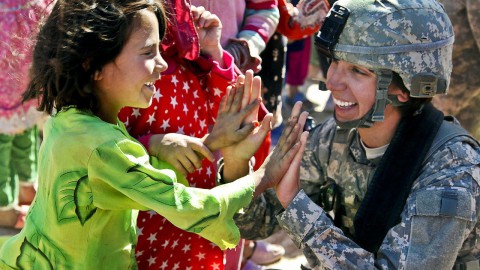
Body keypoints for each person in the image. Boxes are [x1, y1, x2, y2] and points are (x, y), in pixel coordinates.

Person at [0, 0, 309, 268]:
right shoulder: (104, 144)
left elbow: (139, 176)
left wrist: (210, 143)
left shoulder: (72, 120)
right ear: (93, 64)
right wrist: (265, 175)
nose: (162, 63)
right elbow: (189, 207)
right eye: (149, 52)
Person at [234, 0, 480, 269]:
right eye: (335, 62)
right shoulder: (332, 138)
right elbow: (254, 223)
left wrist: (295, 206)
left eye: (358, 71)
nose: (332, 82)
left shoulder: (451, 172)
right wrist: (236, 162)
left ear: (404, 87)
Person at [118, 2, 261, 269]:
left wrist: (213, 51)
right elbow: (98, 147)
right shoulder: (124, 70)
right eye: (150, 51)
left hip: (195, 222)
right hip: (139, 230)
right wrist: (151, 145)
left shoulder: (190, 57)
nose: (159, 61)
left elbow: (229, 112)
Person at [0, 0, 50, 229]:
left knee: (25, 134)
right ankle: (3, 206)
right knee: (2, 145)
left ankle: (26, 185)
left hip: (23, 76)